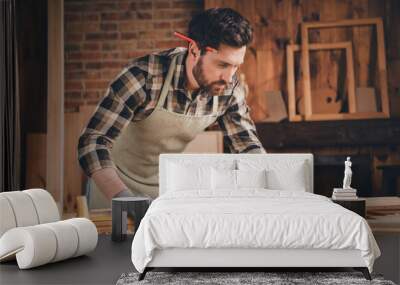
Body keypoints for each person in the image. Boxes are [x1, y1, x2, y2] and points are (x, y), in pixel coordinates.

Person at [78, 8, 266, 204]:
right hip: (113, 189)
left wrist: (269, 184)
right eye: (222, 65)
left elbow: (247, 147)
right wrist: (123, 199)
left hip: (163, 190)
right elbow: (93, 141)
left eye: (236, 66)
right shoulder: (144, 77)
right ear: (194, 50)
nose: (229, 77)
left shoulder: (228, 88)